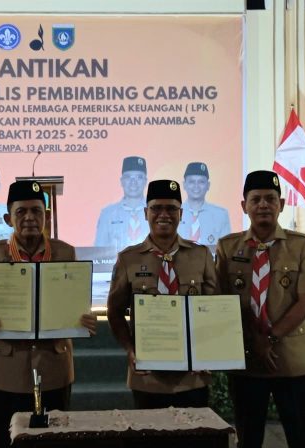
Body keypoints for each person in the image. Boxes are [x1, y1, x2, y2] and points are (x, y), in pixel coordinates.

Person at [0, 180, 97, 448]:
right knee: (5, 440)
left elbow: (75, 303)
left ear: (46, 215)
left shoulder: (65, 252)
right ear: (8, 218)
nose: (29, 218)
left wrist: (85, 320)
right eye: (21, 211)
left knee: (54, 440)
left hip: (54, 367)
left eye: (36, 210)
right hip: (5, 370)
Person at [215, 170, 305, 448]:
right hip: (247, 359)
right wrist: (255, 339)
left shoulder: (302, 246)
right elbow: (223, 300)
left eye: (270, 199)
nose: (263, 205)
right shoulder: (228, 247)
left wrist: (270, 338)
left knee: (302, 438)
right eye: (256, 199)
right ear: (244, 206)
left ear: (281, 204)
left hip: (291, 361)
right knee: (248, 440)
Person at [106, 179, 217, 409]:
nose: (164, 215)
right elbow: (114, 311)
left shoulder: (201, 255)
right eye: (156, 208)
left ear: (181, 213)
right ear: (146, 213)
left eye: (171, 209)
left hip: (192, 376)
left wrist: (208, 352)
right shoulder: (128, 259)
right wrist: (130, 349)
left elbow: (215, 309)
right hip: (148, 377)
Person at [94, 156, 149, 250]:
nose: (133, 182)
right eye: (128, 177)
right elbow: (98, 251)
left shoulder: (158, 213)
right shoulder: (107, 214)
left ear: (145, 181)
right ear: (122, 181)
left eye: (139, 177)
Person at [178, 162, 231, 246]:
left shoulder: (220, 215)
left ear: (208, 185)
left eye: (201, 182)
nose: (196, 186)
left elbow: (226, 248)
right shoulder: (174, 213)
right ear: (184, 185)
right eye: (191, 182)